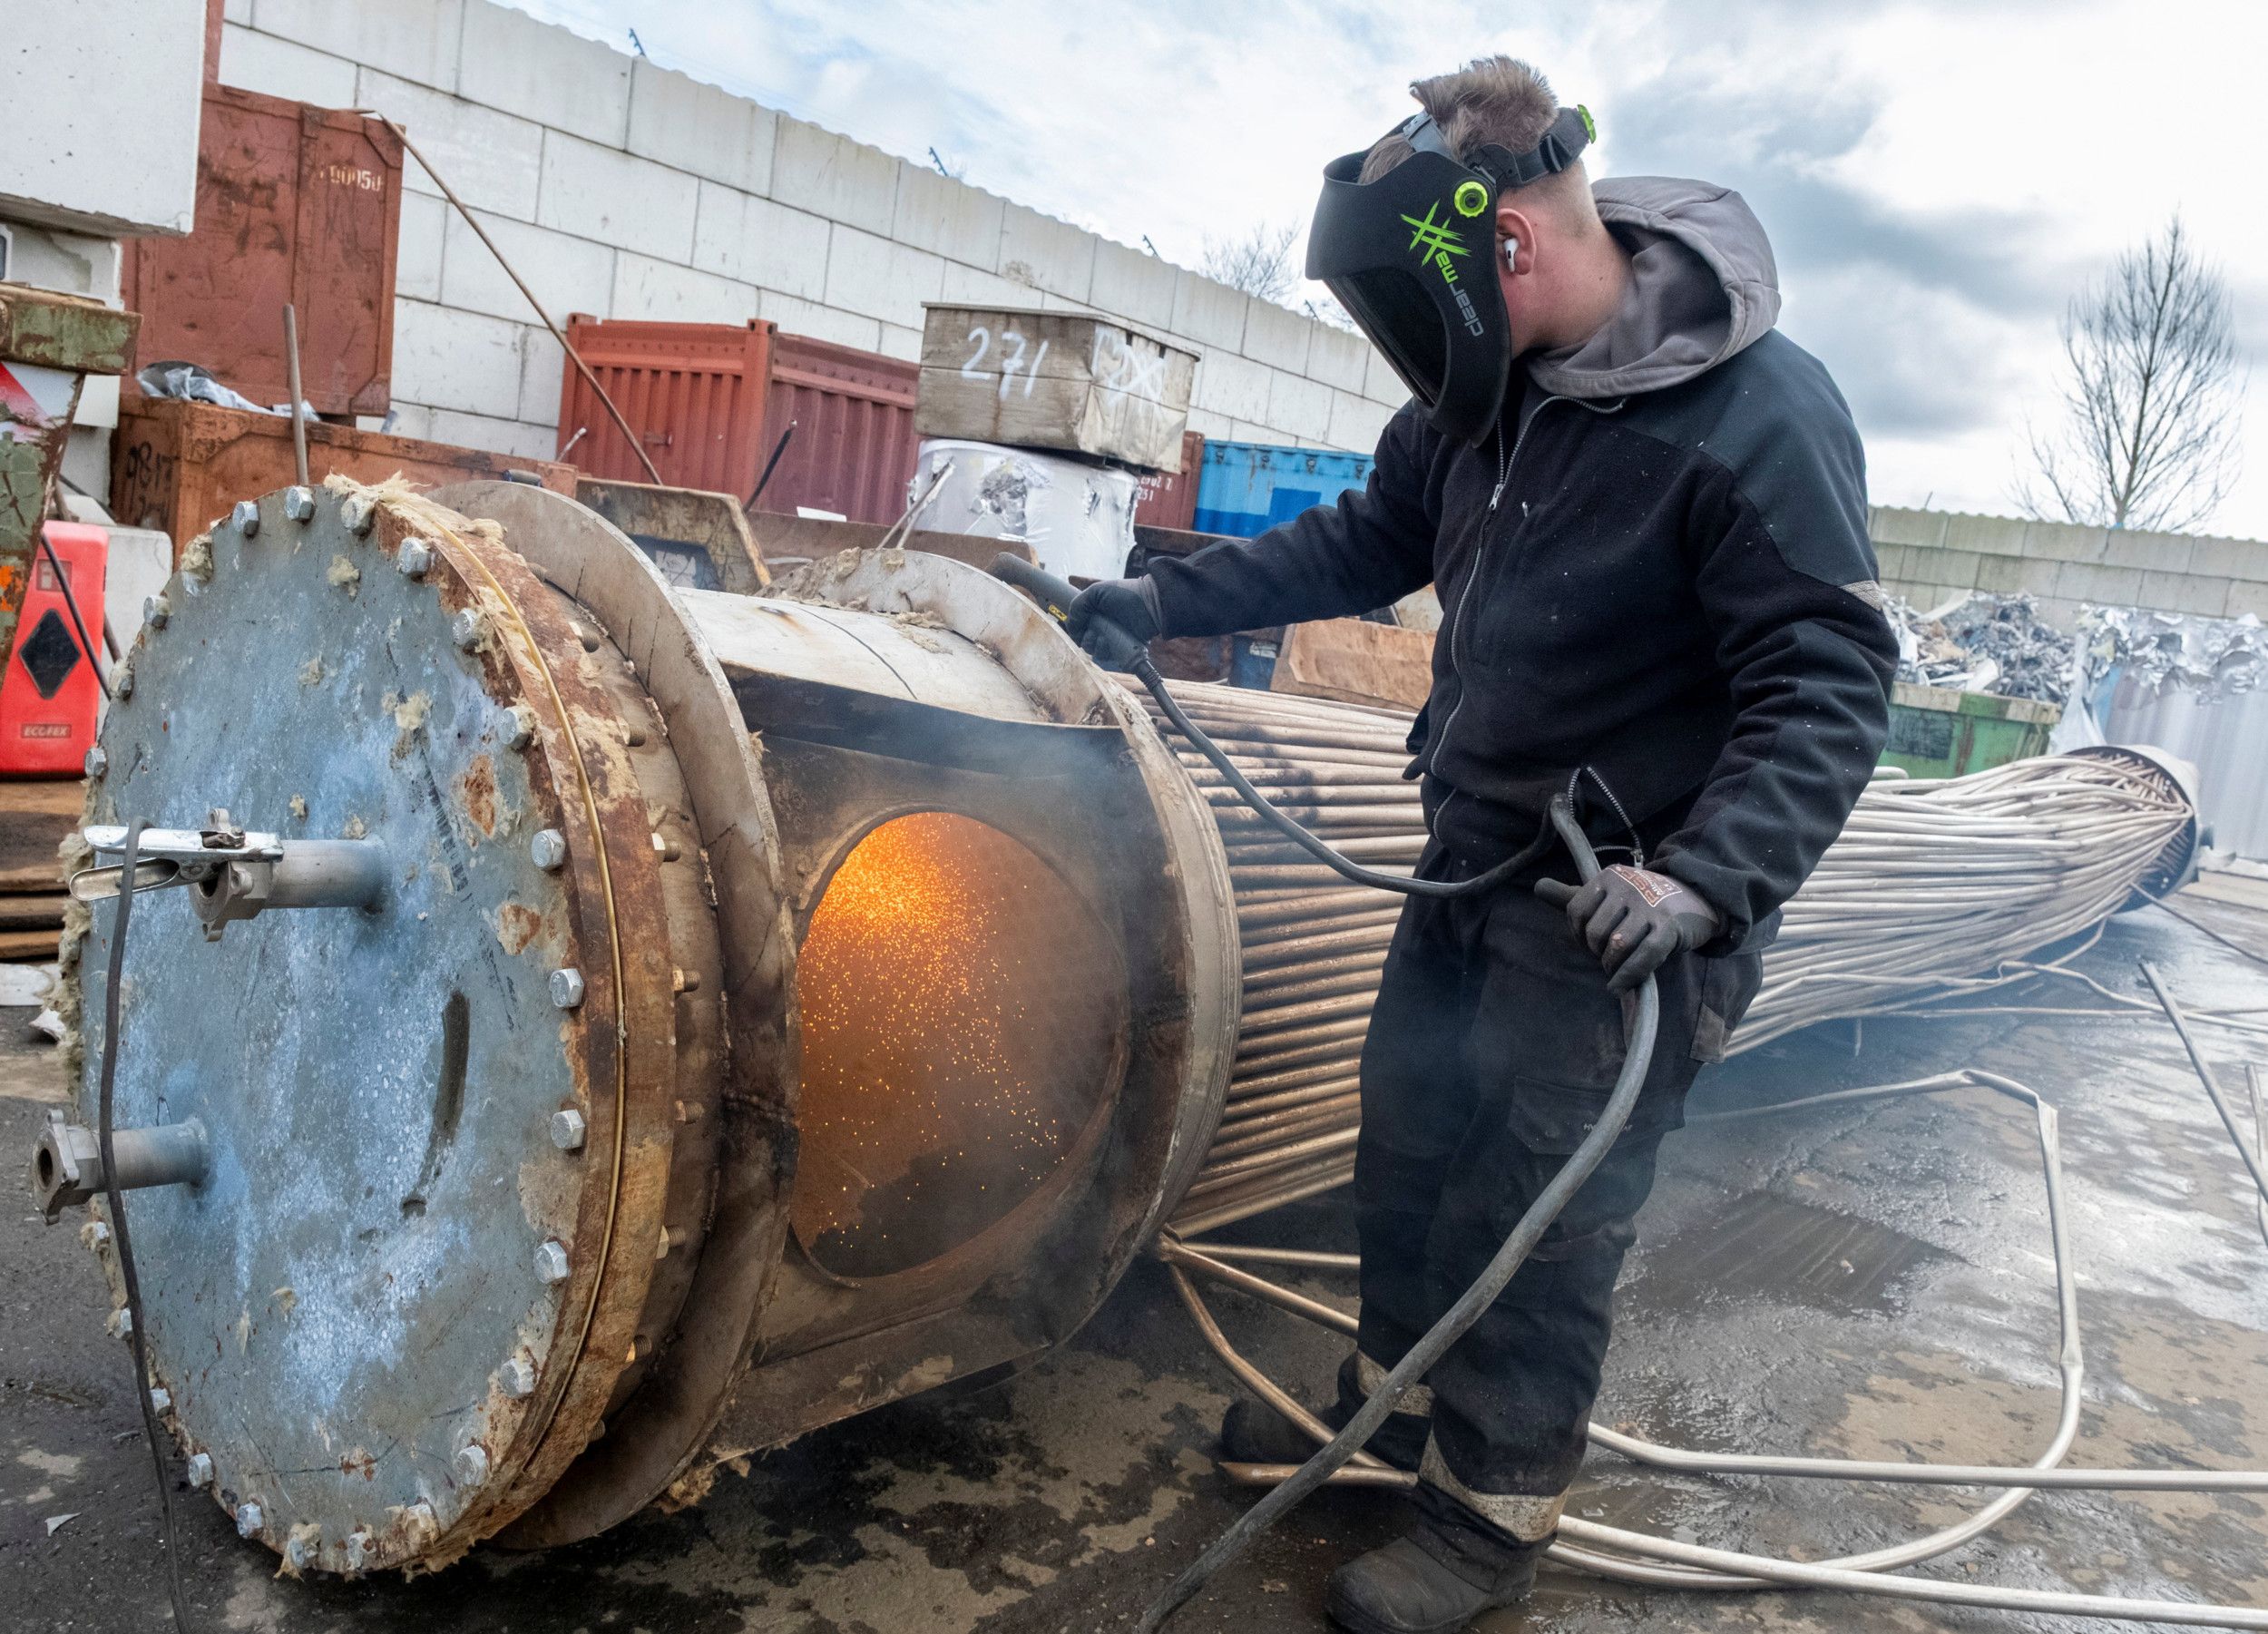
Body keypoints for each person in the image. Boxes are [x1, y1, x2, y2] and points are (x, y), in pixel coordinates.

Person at [1070, 56, 1896, 1634]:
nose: (1406, 347)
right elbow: (1368, 537)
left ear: (1503, 249)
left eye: (1406, 304)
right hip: (1470, 865)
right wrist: (1166, 602)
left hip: (1617, 914)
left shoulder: (1756, 415)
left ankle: (1488, 1514)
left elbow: (1829, 679)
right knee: (1411, 1158)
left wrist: (1705, 881)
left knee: (1538, 1216)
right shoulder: (1489, 394)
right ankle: (1388, 1425)